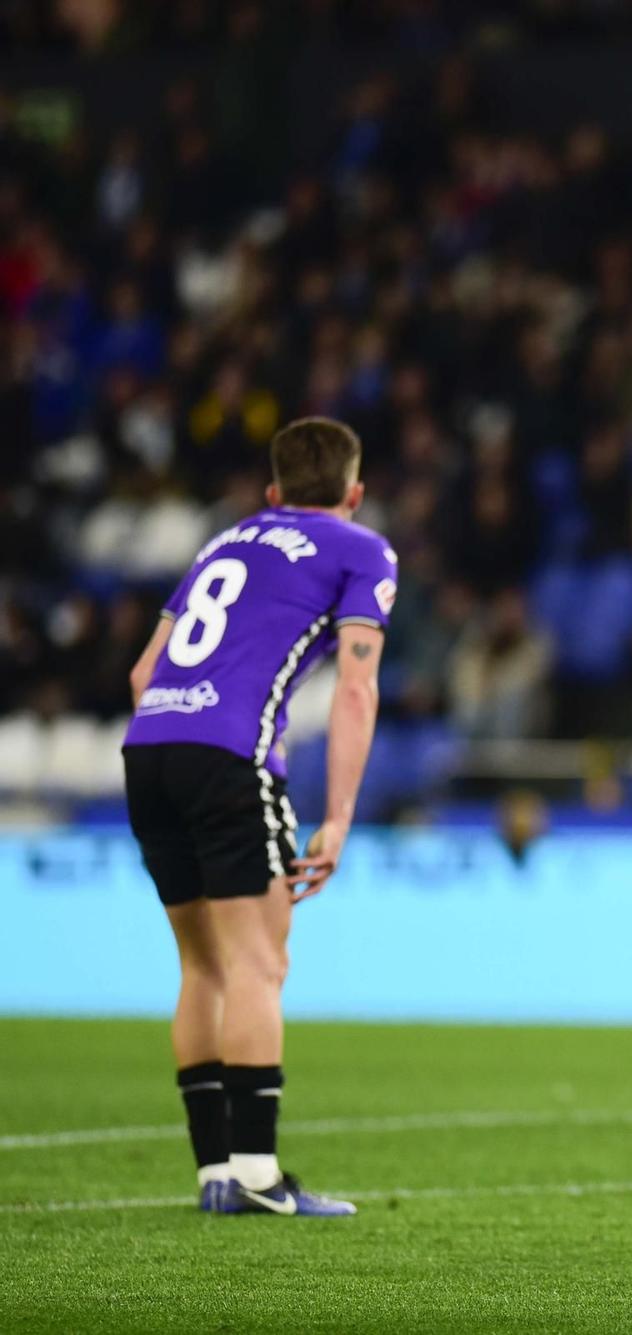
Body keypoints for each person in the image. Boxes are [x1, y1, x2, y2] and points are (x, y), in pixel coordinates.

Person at [122, 416, 395, 1217]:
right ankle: (257, 1174)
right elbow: (355, 686)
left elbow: (144, 671)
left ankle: (217, 1171)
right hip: (229, 757)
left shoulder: (225, 540)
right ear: (355, 493)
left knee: (201, 965)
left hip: (150, 750)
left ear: (273, 493)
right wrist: (339, 814)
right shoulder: (361, 548)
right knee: (257, 964)